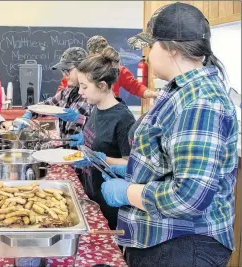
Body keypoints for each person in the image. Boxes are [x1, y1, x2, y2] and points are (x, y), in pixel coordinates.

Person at [102, 3, 238, 266]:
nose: (146, 55)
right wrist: (131, 170)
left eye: (150, 46)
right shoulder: (180, 91)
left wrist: (127, 192)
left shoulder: (201, 102)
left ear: (172, 48)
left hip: (182, 246)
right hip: (162, 242)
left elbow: (189, 197)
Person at [69, 46, 136, 230]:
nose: (80, 92)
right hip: (93, 193)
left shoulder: (123, 119)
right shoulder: (96, 107)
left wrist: (103, 159)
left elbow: (131, 163)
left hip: (111, 205)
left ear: (102, 85)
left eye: (84, 87)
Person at [18, 47, 92, 139]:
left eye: (67, 70)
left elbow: (101, 128)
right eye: (63, 71)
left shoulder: (93, 96)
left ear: (82, 68)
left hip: (84, 151)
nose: (64, 75)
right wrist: (29, 113)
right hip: (67, 149)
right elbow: (47, 105)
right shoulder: (66, 92)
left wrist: (79, 119)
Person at [86, 35, 158, 99]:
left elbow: (136, 87)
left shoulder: (119, 71)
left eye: (105, 52)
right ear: (91, 54)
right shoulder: (83, 71)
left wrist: (153, 94)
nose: (103, 57)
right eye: (100, 53)